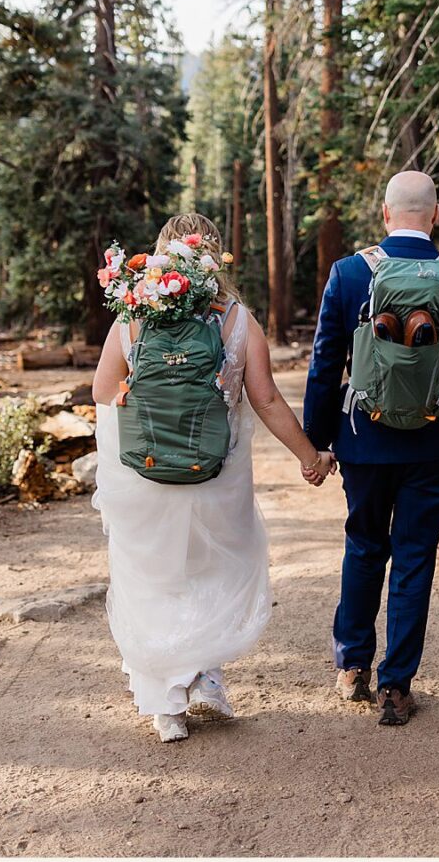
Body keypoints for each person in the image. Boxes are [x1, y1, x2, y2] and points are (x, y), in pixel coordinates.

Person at [91, 213, 334, 743]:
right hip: (214, 470)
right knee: (212, 570)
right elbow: (265, 399)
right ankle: (205, 678)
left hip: (148, 473)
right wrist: (309, 457)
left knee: (153, 577)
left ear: (158, 256)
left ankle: (165, 704)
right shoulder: (236, 318)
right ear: (215, 256)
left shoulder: (131, 316)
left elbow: (104, 393)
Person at [302, 171, 439, 726]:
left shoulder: (348, 274)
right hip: (437, 441)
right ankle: (396, 686)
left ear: (385, 214)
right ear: (434, 216)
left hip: (364, 440)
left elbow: (324, 365)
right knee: (414, 555)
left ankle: (351, 666)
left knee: (364, 545)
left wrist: (320, 440)